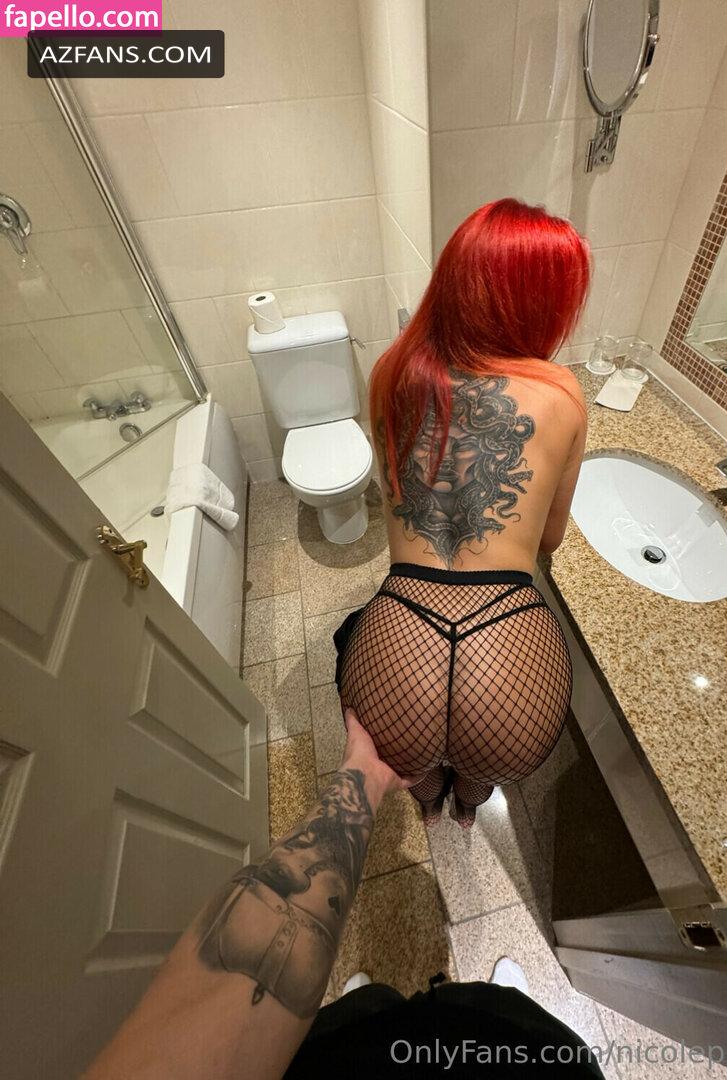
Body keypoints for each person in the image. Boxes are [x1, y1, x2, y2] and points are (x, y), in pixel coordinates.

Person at [85, 711, 604, 1079]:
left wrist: (365, 774)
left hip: (349, 1054)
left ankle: (373, 1003)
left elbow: (209, 1015)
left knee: (368, 1009)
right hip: (504, 1059)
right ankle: (497, 1004)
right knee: (505, 1022)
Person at [334, 198, 591, 826]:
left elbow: (397, 499)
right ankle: (469, 807)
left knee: (411, 763)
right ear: (543, 305)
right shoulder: (561, 392)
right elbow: (550, 539)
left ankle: (427, 802)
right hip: (508, 639)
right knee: (484, 765)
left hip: (401, 636)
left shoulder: (390, 371)